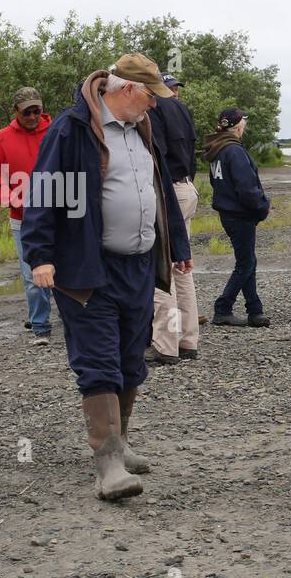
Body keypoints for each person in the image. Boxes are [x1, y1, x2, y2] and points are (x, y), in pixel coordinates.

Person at [20, 53, 192, 501]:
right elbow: (43, 192)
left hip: (138, 265)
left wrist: (178, 246)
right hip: (88, 268)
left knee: (131, 357)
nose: (155, 105)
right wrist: (39, 256)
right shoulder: (73, 130)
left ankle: (121, 443)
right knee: (98, 360)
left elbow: (159, 191)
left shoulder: (142, 131)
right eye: (150, 97)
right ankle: (108, 464)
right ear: (128, 90)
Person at [0, 87, 53, 344]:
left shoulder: (54, 131)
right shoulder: (2, 139)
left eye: (37, 110)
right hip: (22, 219)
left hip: (57, 215)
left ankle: (73, 321)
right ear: (15, 112)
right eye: (27, 112)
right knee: (32, 274)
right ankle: (40, 325)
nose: (33, 116)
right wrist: (14, 200)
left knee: (65, 271)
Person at [147, 73, 200, 365]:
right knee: (182, 266)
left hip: (167, 191)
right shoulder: (182, 109)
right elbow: (191, 154)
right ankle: (187, 339)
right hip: (187, 187)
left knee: (162, 267)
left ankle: (166, 345)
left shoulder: (153, 108)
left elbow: (157, 156)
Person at [204, 109, 271, 327]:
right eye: (244, 124)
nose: (245, 128)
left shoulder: (217, 149)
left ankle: (255, 310)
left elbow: (216, 183)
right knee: (246, 263)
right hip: (240, 214)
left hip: (228, 213)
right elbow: (246, 188)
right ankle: (223, 307)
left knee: (247, 261)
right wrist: (262, 208)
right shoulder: (233, 151)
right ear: (238, 127)